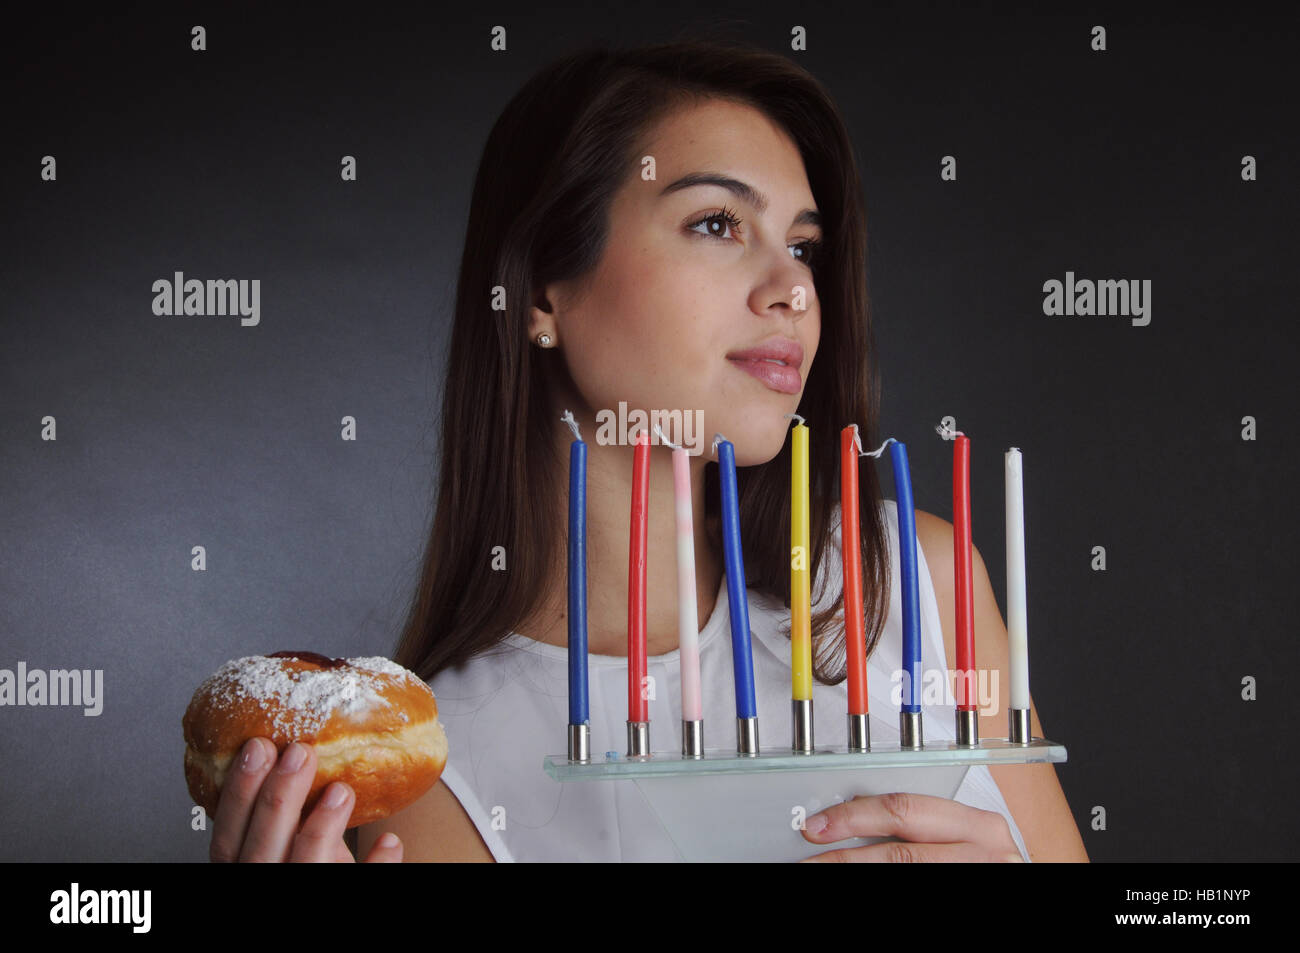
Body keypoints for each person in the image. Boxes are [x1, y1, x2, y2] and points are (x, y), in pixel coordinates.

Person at [209, 38, 1089, 863]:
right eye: (716, 223)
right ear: (543, 292)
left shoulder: (912, 586)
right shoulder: (434, 780)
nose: (793, 290)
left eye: (805, 246)